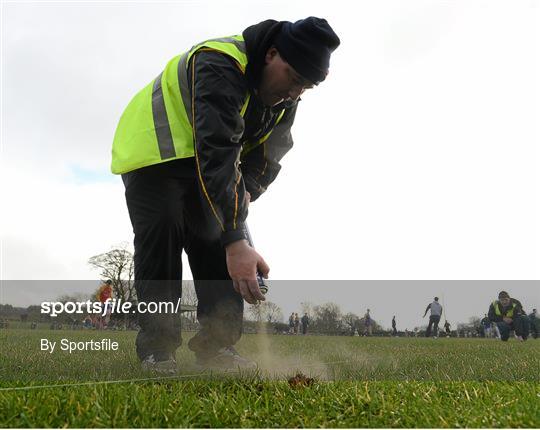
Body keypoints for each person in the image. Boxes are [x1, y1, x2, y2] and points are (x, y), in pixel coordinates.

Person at [111, 18, 340, 373]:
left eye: (305, 87)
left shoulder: (284, 98)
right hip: (156, 152)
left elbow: (269, 154)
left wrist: (245, 195)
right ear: (271, 54)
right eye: (294, 79)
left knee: (215, 238)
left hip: (208, 160)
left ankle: (217, 347)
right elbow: (217, 148)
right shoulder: (220, 62)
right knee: (164, 233)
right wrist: (235, 239)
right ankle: (158, 349)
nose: (295, 93)